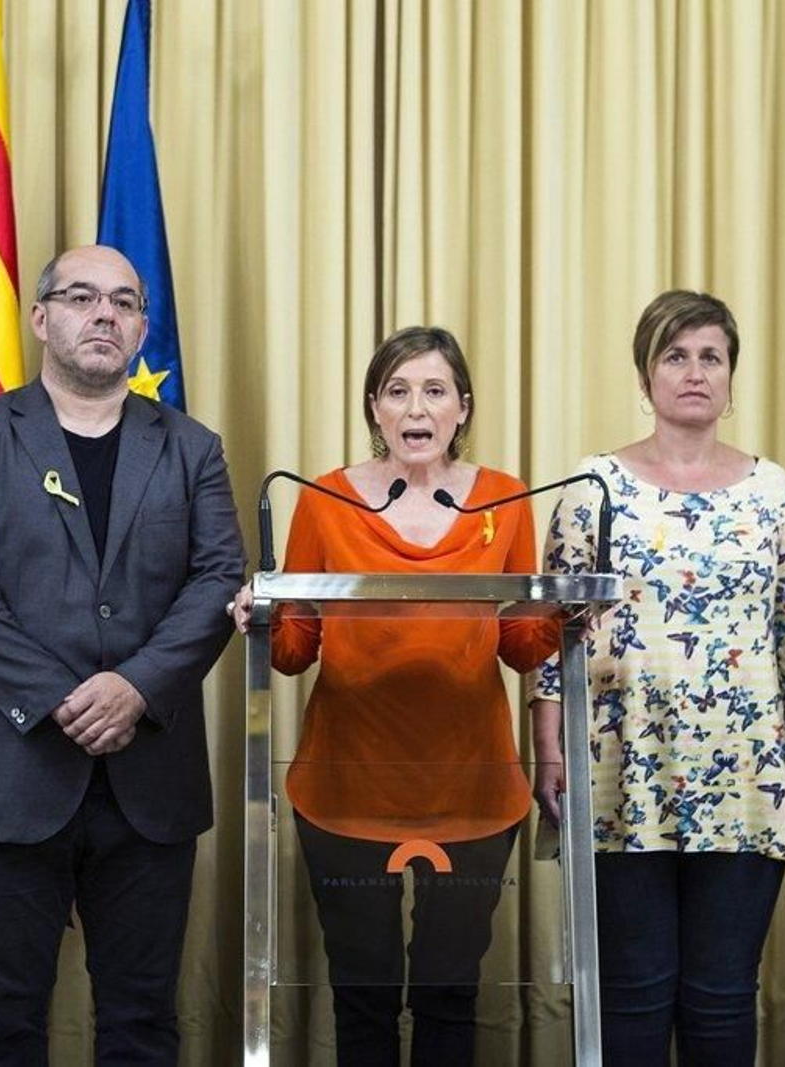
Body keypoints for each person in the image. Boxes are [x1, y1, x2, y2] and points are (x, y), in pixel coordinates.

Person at [0, 244, 245, 1064]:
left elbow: (218, 579)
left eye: (126, 303)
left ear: (140, 329)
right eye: (83, 297)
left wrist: (134, 688)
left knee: (141, 1024)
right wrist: (63, 695)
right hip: (7, 769)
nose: (106, 314)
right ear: (41, 317)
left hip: (149, 780)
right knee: (1, 1024)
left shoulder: (191, 447)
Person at [232, 325, 559, 1066]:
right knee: (363, 993)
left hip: (472, 793)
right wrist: (260, 617)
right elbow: (293, 655)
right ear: (375, 408)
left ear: (461, 408)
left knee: (451, 994)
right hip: (346, 789)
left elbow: (518, 645)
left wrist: (565, 624)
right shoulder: (321, 499)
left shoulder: (508, 499)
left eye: (434, 390)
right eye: (398, 390)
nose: (417, 406)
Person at [528, 290, 785, 1066]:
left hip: (745, 774)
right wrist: (550, 752)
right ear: (645, 374)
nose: (694, 372)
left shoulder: (771, 489)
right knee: (632, 994)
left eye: (710, 357)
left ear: (731, 378)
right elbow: (550, 634)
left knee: (723, 999)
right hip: (621, 772)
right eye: (675, 355)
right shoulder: (594, 487)